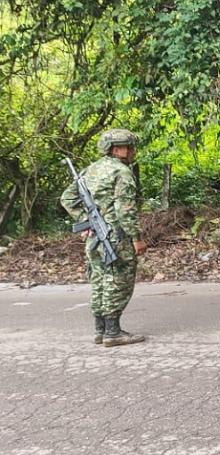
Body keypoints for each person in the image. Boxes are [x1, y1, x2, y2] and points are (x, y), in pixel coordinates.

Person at [60, 128, 147, 347]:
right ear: (118, 148)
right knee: (118, 282)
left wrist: (85, 220)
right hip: (116, 237)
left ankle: (100, 331)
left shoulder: (91, 169)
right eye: (130, 147)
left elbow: (67, 198)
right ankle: (113, 333)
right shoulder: (122, 172)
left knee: (99, 281)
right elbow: (125, 210)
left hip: (95, 237)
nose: (133, 151)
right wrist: (136, 237)